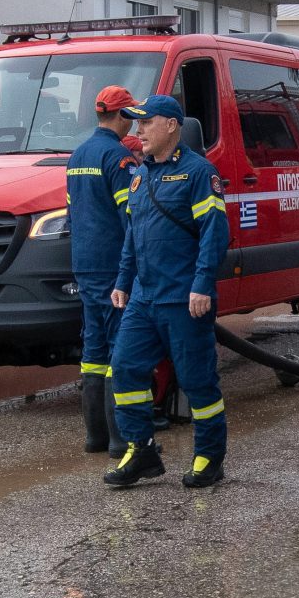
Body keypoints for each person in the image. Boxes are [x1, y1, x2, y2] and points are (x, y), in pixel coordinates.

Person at [104, 94, 229, 490]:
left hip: (184, 298)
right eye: (136, 124)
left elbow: (214, 233)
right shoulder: (140, 175)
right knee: (124, 369)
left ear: (171, 125)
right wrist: (123, 282)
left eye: (146, 123)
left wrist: (202, 284)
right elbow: (132, 237)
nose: (138, 131)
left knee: (197, 383)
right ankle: (141, 451)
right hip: (144, 298)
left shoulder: (198, 173)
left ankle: (209, 456)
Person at [64, 84, 138, 453]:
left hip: (85, 265)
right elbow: (131, 218)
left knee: (93, 351)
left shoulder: (77, 156)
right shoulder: (119, 159)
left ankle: (94, 436)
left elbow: (72, 215)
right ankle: (118, 439)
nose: (135, 125)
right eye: (132, 116)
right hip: (113, 267)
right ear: (121, 116)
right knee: (118, 349)